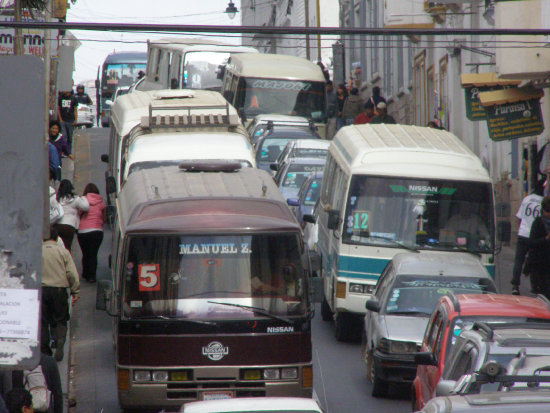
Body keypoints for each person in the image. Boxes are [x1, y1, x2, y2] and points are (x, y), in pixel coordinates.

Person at [41, 226, 80, 361]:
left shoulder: (36, 251)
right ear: (57, 238)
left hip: (41, 290)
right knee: (60, 319)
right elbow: (71, 273)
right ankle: (60, 341)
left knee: (42, 321)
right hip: (59, 290)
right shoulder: (63, 252)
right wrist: (75, 290)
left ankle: (45, 349)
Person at [511, 190, 543, 295]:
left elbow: (519, 217)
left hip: (523, 233)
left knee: (518, 260)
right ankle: (535, 287)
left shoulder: (527, 199)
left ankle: (515, 285)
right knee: (534, 260)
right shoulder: (543, 202)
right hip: (535, 235)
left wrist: (521, 229)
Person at [77, 183, 106, 283]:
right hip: (97, 231)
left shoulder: (83, 200)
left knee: (85, 253)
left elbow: (79, 213)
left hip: (83, 231)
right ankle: (92, 276)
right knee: (93, 253)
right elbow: (104, 217)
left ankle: (85, 273)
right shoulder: (101, 202)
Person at [54, 180, 89, 251]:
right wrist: (83, 198)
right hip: (69, 226)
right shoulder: (75, 199)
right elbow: (86, 207)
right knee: (67, 247)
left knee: (57, 247)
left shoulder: (56, 198)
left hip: (57, 225)